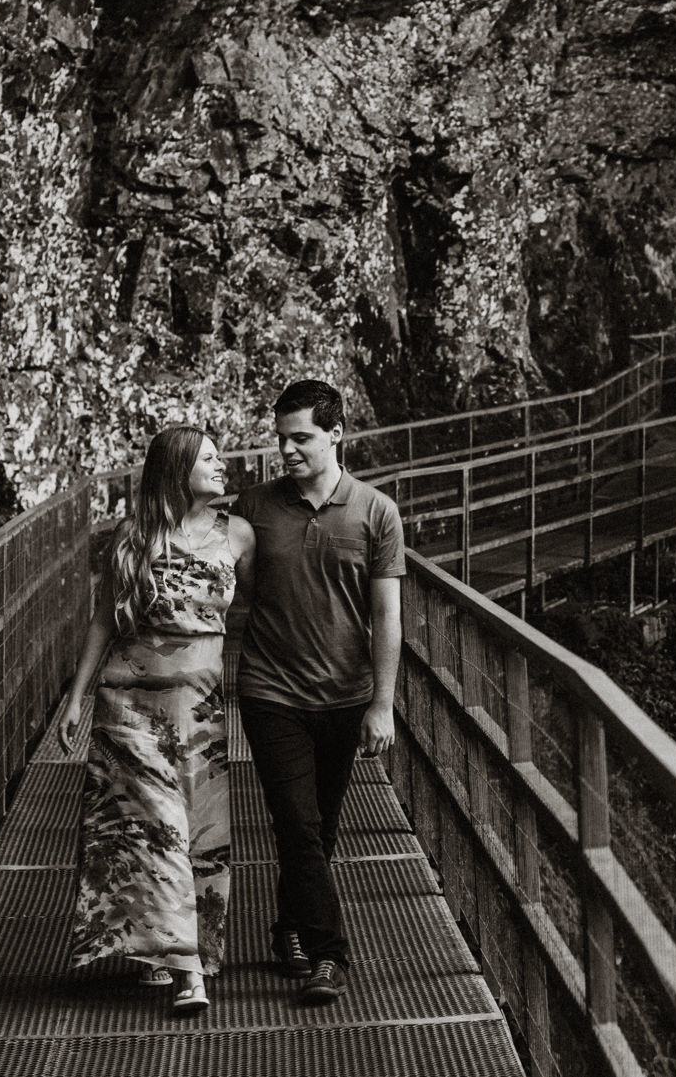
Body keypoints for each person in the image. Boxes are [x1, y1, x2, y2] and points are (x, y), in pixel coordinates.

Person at [58, 426, 256, 1014]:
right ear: (177, 469)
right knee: (158, 829)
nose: (222, 465)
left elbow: (265, 609)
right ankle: (189, 973)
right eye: (208, 458)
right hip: (129, 708)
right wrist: (75, 698)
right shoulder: (134, 536)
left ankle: (159, 952)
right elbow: (103, 620)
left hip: (199, 710)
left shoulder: (238, 535)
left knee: (198, 833)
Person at [230, 379, 404, 1006]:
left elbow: (386, 615)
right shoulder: (253, 506)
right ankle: (328, 955)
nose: (287, 450)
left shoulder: (377, 512)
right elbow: (240, 588)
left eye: (301, 437)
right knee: (296, 824)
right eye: (281, 438)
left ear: (336, 434)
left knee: (320, 827)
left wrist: (381, 704)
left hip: (345, 696)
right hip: (270, 689)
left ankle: (289, 929)